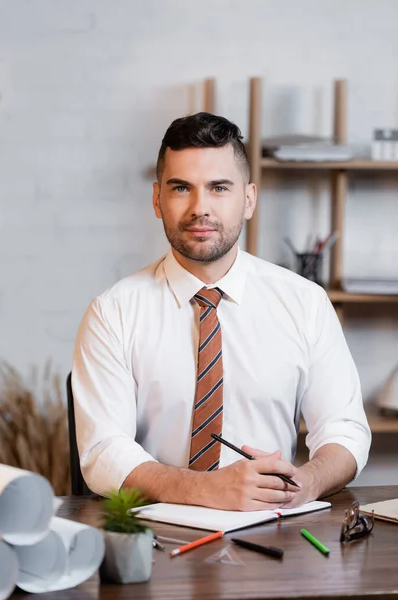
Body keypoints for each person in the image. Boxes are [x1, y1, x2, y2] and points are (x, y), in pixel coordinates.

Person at [72, 112, 371, 511]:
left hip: (272, 526)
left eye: (219, 188)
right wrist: (206, 489)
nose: (200, 208)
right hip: (155, 536)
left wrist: (306, 482)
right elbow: (102, 450)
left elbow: (344, 428)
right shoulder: (112, 312)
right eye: (181, 188)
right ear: (157, 200)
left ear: (248, 200)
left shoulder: (305, 302)